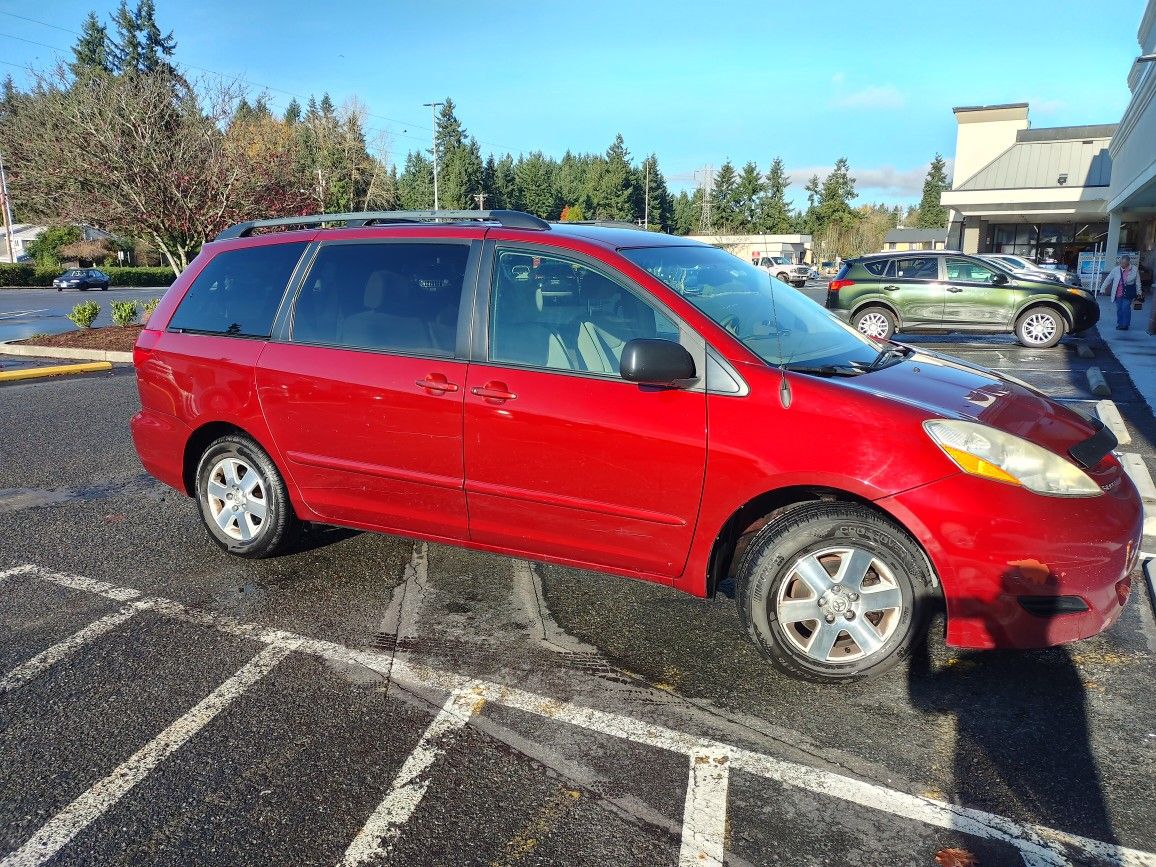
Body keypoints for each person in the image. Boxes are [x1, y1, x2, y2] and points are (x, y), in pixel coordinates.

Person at [1098, 254, 1142, 330]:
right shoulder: (1116, 270)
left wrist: (1139, 292)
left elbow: (1138, 282)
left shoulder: (1134, 269)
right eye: (1121, 263)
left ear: (1128, 262)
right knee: (1119, 309)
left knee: (1125, 308)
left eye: (1124, 263)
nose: (1122, 265)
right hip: (1118, 293)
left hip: (1128, 293)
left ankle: (1125, 325)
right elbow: (1108, 279)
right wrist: (1102, 289)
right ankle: (1120, 323)